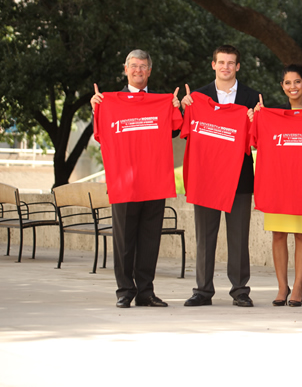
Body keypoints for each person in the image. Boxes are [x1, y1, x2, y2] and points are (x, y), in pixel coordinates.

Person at [90, 49, 181, 308]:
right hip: (124, 183)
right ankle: (124, 291)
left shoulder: (162, 102)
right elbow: (100, 133)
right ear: (125, 69)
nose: (138, 70)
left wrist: (175, 107)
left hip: (155, 180)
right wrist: (97, 106)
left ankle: (145, 292)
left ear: (149, 71)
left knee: (150, 239)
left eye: (143, 66)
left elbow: (176, 129)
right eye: (134, 65)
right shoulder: (107, 102)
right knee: (124, 239)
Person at [180, 45, 260, 307]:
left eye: (231, 63)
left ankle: (240, 291)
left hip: (239, 177)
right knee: (205, 236)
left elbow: (259, 140)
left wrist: (255, 119)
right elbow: (183, 128)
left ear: (238, 67)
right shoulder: (197, 97)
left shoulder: (251, 97)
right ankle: (202, 291)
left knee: (239, 237)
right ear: (213, 65)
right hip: (206, 176)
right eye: (221, 62)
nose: (226, 67)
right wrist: (184, 108)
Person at [250, 64, 302, 307]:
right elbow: (253, 140)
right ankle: (281, 287)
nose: (292, 87)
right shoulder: (270, 116)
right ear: (282, 87)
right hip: (278, 184)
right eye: (287, 83)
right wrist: (255, 117)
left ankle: (297, 287)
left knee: (301, 234)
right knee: (278, 235)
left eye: (297, 82)